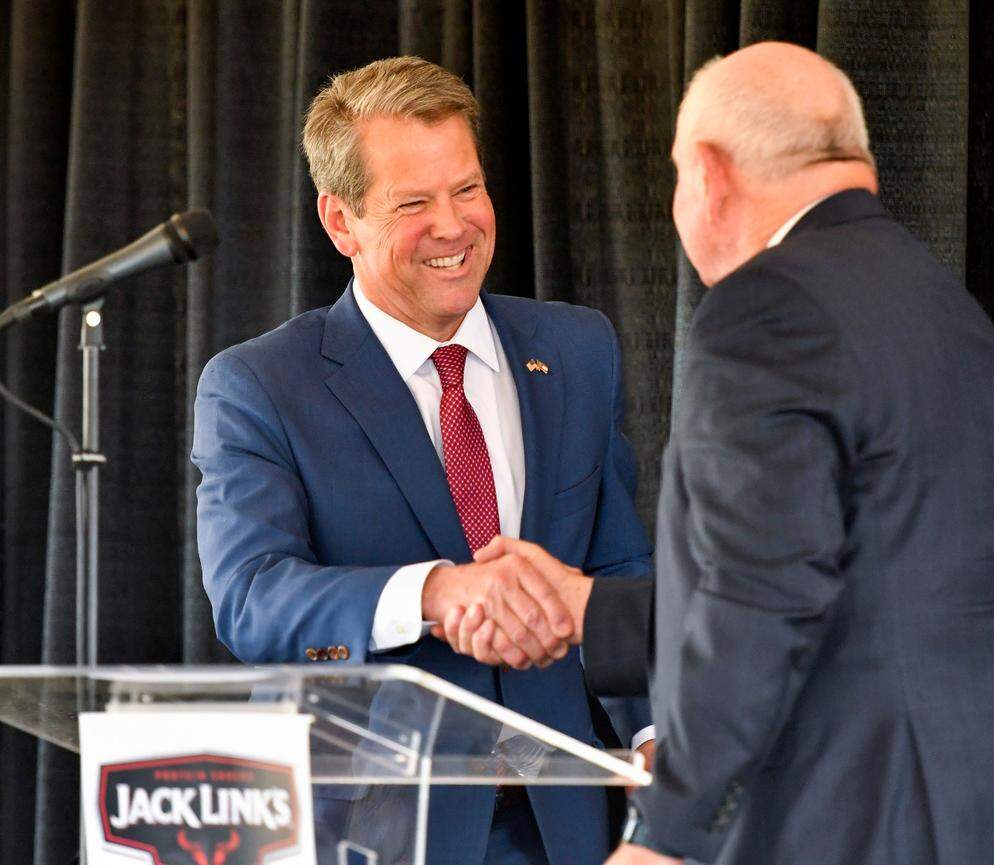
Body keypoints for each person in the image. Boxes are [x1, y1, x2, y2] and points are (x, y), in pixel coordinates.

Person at [435, 42, 994, 865]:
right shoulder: (955, 317)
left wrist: (663, 835)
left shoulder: (763, 308)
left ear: (710, 175)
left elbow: (760, 603)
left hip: (868, 821)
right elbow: (859, 596)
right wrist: (587, 609)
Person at [191, 56, 654, 865]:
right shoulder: (260, 385)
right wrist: (435, 591)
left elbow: (621, 569)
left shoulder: (577, 350)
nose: (454, 225)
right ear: (341, 223)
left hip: (572, 825)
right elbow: (253, 597)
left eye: (467, 189)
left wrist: (660, 732)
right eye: (414, 203)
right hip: (373, 834)